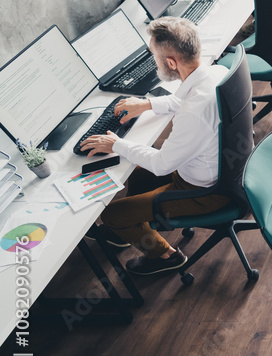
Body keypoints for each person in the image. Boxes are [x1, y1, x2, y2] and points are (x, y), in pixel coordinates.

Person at [81, 17, 230, 275]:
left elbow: (162, 165)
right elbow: (183, 101)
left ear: (171, 63)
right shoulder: (216, 73)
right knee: (138, 176)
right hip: (222, 168)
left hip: (205, 191)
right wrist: (148, 104)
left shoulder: (194, 113)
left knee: (112, 214)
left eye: (155, 57)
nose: (155, 62)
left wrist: (116, 144)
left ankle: (165, 255)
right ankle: (128, 230)